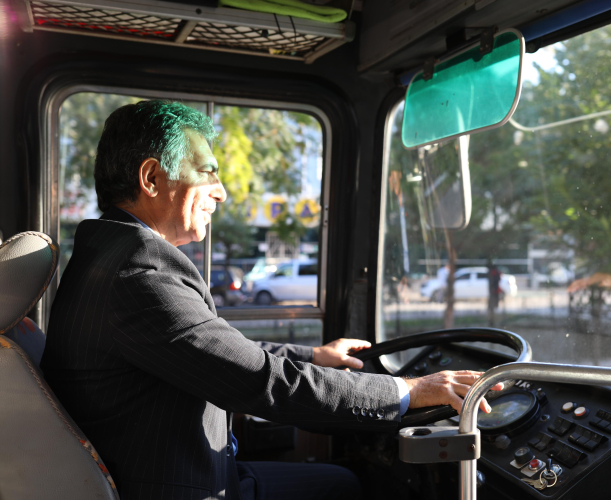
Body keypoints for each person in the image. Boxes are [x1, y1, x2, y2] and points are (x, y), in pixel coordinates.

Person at [40, 100, 500, 500]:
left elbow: (212, 348)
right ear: (152, 178)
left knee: (341, 482)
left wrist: (314, 356)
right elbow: (260, 380)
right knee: (345, 487)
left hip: (172, 467)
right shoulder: (139, 272)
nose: (221, 191)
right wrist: (409, 390)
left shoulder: (111, 252)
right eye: (208, 172)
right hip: (177, 484)